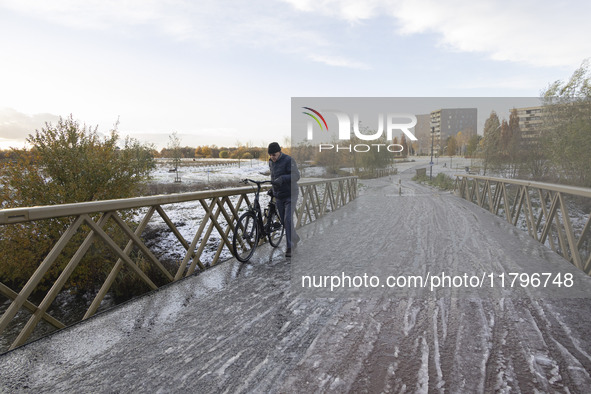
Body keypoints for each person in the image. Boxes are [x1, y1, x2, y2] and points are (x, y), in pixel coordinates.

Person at [268, 142, 300, 257]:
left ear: (280, 152)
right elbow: (272, 177)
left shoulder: (288, 160)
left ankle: (290, 246)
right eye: (270, 155)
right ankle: (295, 238)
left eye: (274, 155)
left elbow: (296, 176)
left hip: (291, 194)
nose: (272, 157)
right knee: (284, 221)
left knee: (287, 219)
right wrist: (273, 189)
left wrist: (282, 178)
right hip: (279, 195)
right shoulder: (271, 162)